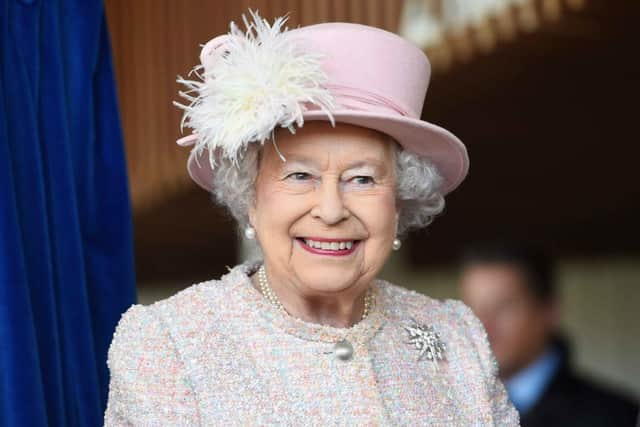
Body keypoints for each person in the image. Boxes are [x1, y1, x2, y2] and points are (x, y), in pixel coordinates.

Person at [104, 11, 519, 425]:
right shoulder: (169, 343)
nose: (332, 210)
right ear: (251, 196)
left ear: (399, 202)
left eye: (362, 179)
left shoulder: (456, 336)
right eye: (300, 175)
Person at [459, 243, 639, 427]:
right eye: (471, 308)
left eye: (503, 307)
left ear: (549, 311)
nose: (482, 324)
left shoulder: (617, 417)